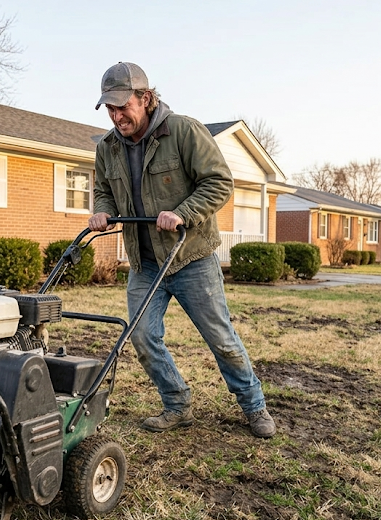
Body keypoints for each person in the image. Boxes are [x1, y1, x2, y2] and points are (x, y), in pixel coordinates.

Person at [87, 62, 276, 438]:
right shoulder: (107, 147)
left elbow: (219, 182)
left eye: (122, 106)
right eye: (109, 108)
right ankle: (177, 403)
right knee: (141, 336)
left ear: (145, 97)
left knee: (220, 338)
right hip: (144, 263)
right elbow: (104, 189)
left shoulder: (184, 131)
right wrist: (103, 210)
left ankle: (254, 406)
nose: (116, 115)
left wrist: (183, 213)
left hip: (190, 258)